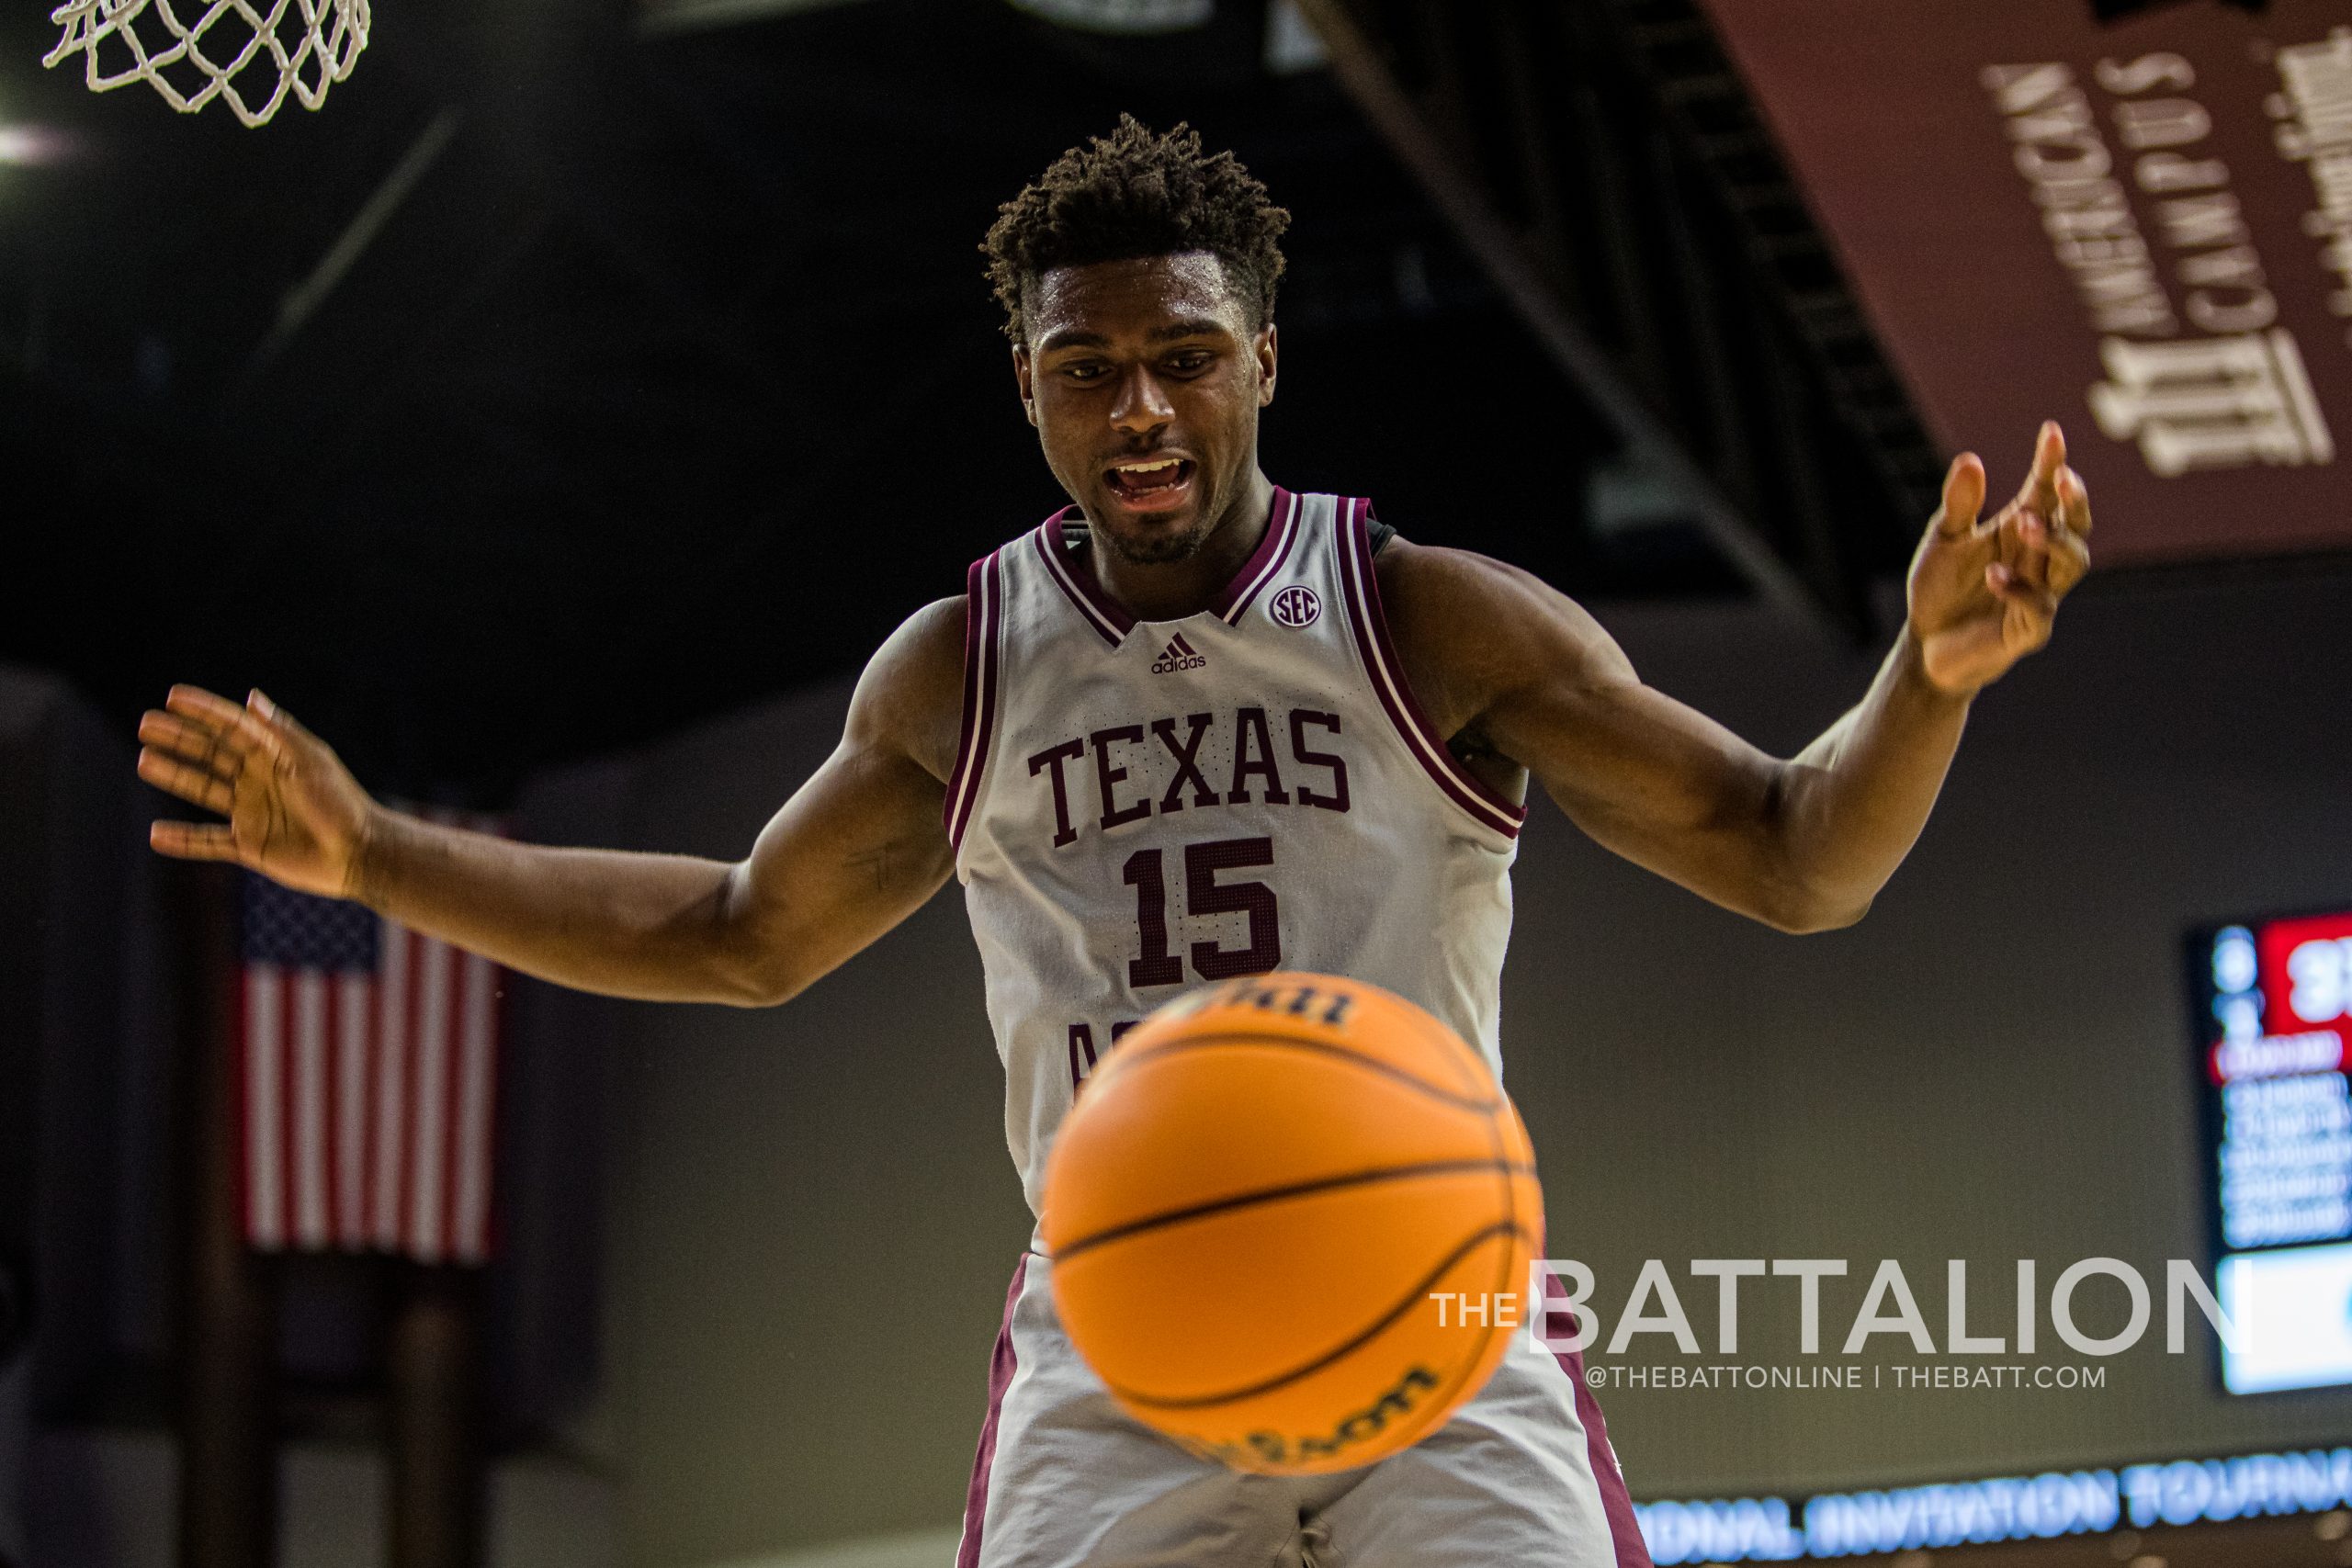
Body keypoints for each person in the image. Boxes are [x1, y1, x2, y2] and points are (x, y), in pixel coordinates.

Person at [135, 118, 2091, 1568]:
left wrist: (1923, 676)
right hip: (1125, 1311)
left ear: (1259, 358)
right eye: (1086, 369)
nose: (1137, 405)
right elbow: (738, 928)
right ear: (1029, 390)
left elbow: (1788, 853)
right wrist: (379, 856)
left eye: (1181, 353)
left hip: (1442, 1299)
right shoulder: (962, 666)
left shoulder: (1425, 617)